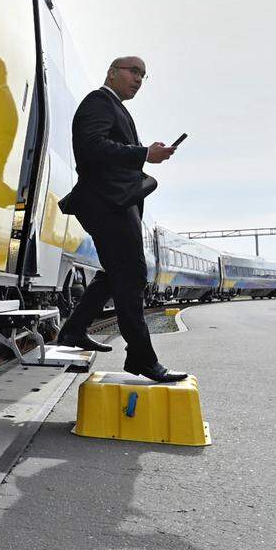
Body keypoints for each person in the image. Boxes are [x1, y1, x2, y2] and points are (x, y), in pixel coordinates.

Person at [55, 56, 187, 383]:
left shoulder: (116, 107)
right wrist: (143, 154)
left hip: (113, 204)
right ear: (112, 72)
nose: (139, 79)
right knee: (132, 275)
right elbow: (91, 148)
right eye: (133, 71)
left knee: (115, 275)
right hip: (106, 204)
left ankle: (73, 331)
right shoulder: (99, 102)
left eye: (144, 75)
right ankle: (143, 357)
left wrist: (145, 154)